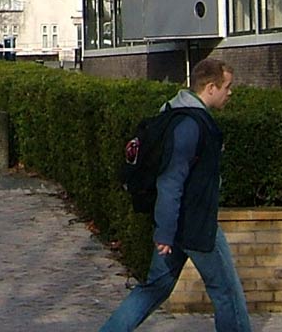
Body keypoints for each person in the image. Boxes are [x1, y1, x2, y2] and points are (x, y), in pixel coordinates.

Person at [98, 58, 250, 332]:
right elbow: (171, 181)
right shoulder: (191, 125)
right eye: (227, 87)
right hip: (196, 226)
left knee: (155, 288)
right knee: (227, 293)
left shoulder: (174, 112)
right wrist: (165, 233)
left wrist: (167, 230)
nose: (230, 93)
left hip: (177, 225)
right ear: (211, 87)